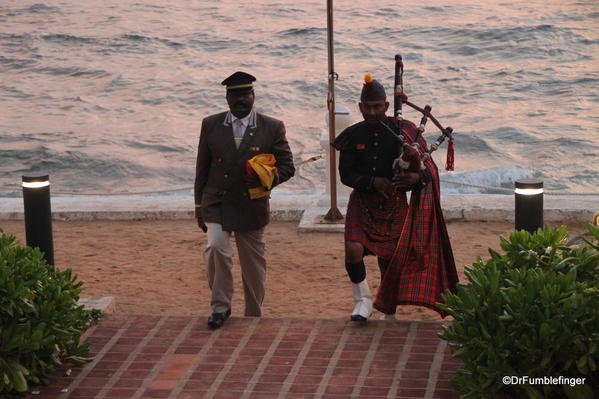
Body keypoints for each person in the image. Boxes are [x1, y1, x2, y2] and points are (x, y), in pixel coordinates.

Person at [332, 73, 458, 321]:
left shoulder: (405, 130)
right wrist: (372, 182)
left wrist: (413, 179)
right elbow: (346, 174)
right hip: (363, 203)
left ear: (387, 106)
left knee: (388, 260)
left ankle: (386, 308)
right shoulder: (353, 135)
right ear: (359, 107)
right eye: (366, 107)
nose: (371, 112)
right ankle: (362, 300)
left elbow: (428, 171)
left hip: (394, 204)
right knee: (353, 249)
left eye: (377, 107)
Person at [194, 71, 295, 329]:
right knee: (216, 248)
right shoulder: (210, 124)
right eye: (234, 95)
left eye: (244, 94)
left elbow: (287, 167)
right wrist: (198, 206)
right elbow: (202, 168)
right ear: (227, 98)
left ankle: (253, 313)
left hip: (252, 206)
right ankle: (220, 307)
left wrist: (266, 179)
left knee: (253, 266)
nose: (240, 99)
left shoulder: (272, 127)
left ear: (253, 96)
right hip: (217, 202)